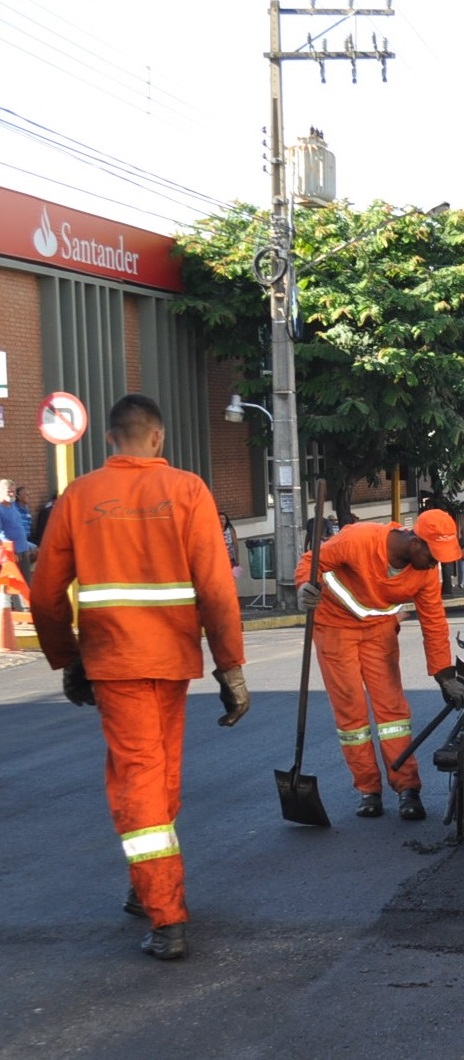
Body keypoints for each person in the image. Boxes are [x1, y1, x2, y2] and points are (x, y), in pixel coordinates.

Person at [29, 395, 248, 961]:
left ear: (109, 440)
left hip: (113, 661)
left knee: (139, 781)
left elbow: (46, 593)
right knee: (161, 774)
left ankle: (166, 916)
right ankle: (149, 885)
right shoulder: (188, 490)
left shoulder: (78, 496)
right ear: (158, 438)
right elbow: (217, 588)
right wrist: (232, 668)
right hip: (170, 659)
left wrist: (68, 659)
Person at [295, 509, 464, 821]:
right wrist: (305, 586)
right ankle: (368, 789)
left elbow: (434, 622)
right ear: (416, 542)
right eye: (434, 554)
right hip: (333, 628)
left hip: (379, 631)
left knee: (393, 712)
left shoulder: (425, 573)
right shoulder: (358, 539)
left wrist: (445, 675)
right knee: (352, 713)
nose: (436, 563)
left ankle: (407, 788)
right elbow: (311, 561)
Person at [0, 478, 37, 606]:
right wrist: (9, 552)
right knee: (12, 581)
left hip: (23, 547)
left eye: (13, 491)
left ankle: (27, 608)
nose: (12, 494)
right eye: (9, 491)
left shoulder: (13, 506)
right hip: (11, 551)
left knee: (26, 579)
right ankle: (15, 609)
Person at [220, 513, 240, 579]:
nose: (221, 521)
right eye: (219, 519)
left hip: (230, 559)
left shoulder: (230, 530)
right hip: (220, 560)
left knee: (231, 578)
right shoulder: (215, 531)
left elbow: (235, 545)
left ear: (226, 520)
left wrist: (237, 559)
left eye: (223, 519)